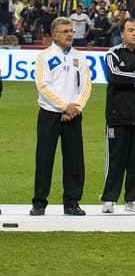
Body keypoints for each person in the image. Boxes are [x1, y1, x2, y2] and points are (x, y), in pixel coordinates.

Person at [33, 16, 90, 216]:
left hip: (73, 115)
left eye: (71, 31)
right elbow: (42, 85)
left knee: (75, 160)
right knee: (44, 158)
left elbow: (86, 86)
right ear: (55, 34)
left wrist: (75, 108)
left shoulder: (79, 57)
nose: (70, 35)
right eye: (65, 31)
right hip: (50, 114)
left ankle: (72, 202)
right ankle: (39, 202)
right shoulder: (45, 56)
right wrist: (63, 106)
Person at [101, 17, 135, 213]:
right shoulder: (112, 53)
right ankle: (109, 199)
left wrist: (128, 77)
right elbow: (114, 76)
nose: (134, 33)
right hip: (117, 115)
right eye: (130, 30)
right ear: (122, 33)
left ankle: (133, 199)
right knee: (115, 159)